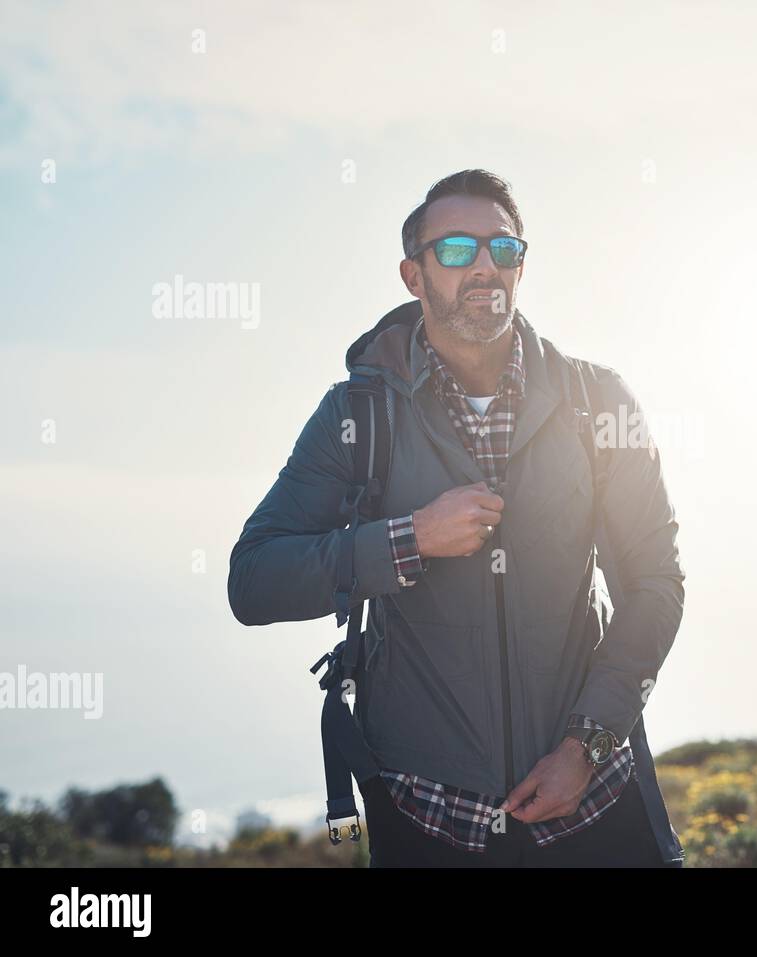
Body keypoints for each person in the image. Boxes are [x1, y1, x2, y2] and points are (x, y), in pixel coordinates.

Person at [227, 169, 686, 867]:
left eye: (503, 249)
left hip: (594, 809)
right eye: (455, 250)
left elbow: (656, 583)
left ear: (521, 266)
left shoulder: (600, 402)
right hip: (429, 825)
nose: (482, 267)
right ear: (413, 275)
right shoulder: (358, 416)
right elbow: (253, 581)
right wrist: (406, 540)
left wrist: (584, 746)